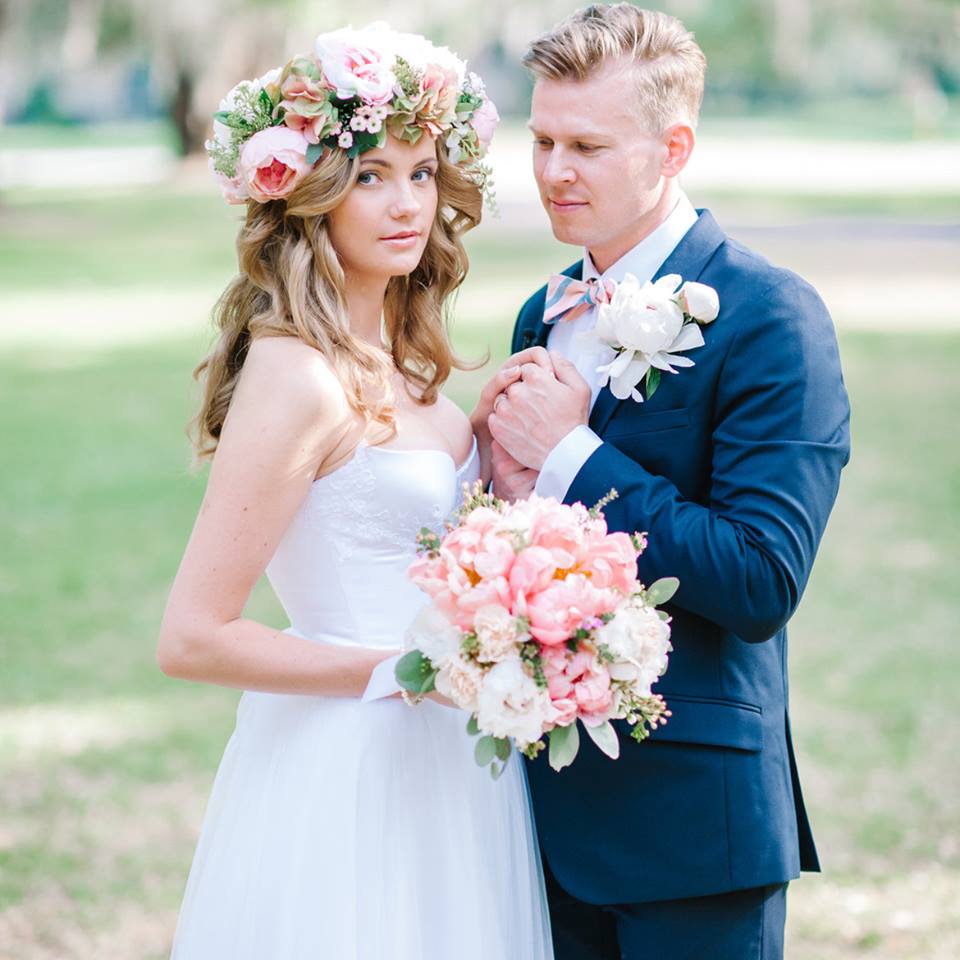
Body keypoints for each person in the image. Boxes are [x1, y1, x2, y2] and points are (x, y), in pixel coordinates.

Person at [157, 24, 552, 960]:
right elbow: (193, 637)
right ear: (310, 193)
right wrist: (409, 671)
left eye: (422, 172)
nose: (406, 201)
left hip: (455, 767)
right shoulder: (297, 375)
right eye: (370, 174)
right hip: (348, 768)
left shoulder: (410, 367)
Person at [471, 5, 851, 959]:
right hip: (536, 816)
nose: (555, 171)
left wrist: (572, 457)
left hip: (694, 833)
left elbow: (761, 579)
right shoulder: (540, 313)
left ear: (672, 146)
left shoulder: (771, 316)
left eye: (588, 145)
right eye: (544, 140)